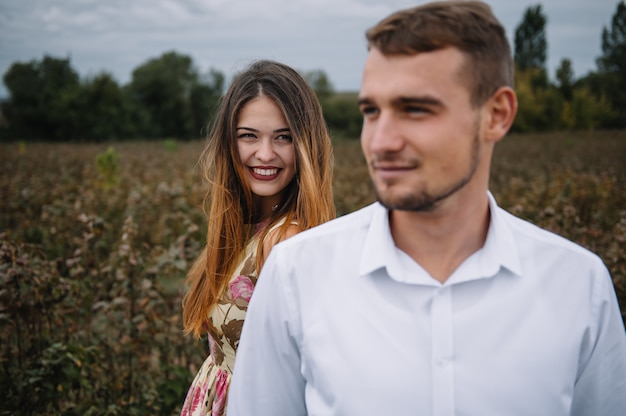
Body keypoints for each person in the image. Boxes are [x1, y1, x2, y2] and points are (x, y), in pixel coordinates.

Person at [228, 2, 626, 415]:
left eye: (415, 109)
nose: (380, 141)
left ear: (497, 114)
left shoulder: (579, 287)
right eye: (371, 111)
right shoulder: (296, 274)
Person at [179, 59, 335, 415]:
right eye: (249, 135)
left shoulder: (286, 239)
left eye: (284, 137)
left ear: (306, 145)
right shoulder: (245, 228)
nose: (265, 154)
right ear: (229, 143)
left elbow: (312, 372)